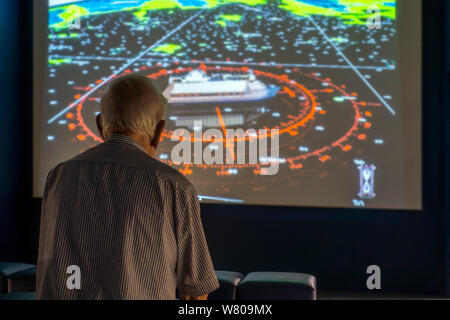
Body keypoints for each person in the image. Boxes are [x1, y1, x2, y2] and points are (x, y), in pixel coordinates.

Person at [36, 74, 219, 300]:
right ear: (159, 131)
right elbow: (196, 292)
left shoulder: (58, 177)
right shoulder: (174, 187)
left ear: (100, 125)